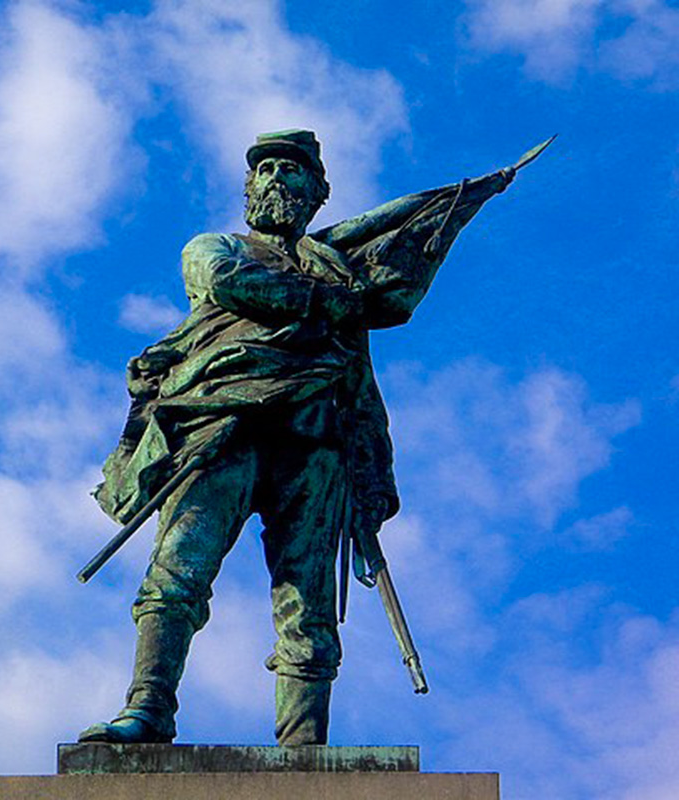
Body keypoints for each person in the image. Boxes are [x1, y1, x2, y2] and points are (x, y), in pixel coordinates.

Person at [79, 129, 512, 745]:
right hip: (219, 424)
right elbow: (235, 284)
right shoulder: (216, 247)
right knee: (178, 570)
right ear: (250, 187)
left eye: (293, 170)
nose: (278, 178)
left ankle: (304, 742)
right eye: (267, 169)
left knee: (308, 601)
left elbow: (360, 379)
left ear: (318, 192)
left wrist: (372, 467)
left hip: (314, 438)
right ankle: (148, 707)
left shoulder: (335, 269)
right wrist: (334, 301)